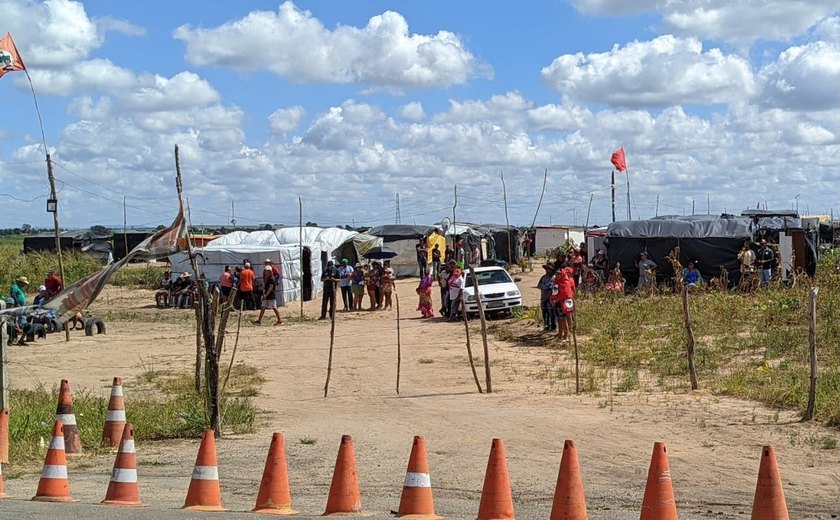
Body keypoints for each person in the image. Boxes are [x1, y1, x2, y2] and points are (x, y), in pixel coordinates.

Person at [551, 267, 576, 340]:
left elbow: (567, 293)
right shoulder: (556, 282)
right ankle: (561, 333)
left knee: (565, 318)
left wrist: (557, 298)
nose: (557, 276)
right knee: (560, 319)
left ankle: (566, 334)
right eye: (556, 274)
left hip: (565, 301)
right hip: (559, 302)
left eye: (559, 274)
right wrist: (552, 298)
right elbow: (554, 293)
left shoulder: (567, 281)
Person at [538, 263, 557, 332]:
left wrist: (544, 286)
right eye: (546, 269)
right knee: (545, 313)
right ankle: (546, 326)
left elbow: (550, 286)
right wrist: (544, 286)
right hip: (543, 298)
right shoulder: (543, 277)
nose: (547, 270)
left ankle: (553, 327)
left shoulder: (554, 277)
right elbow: (539, 285)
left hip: (550, 298)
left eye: (549, 269)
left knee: (551, 313)